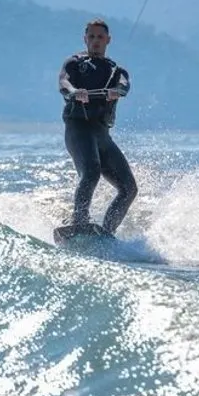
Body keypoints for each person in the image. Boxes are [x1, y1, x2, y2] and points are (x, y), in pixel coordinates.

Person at [57, 18, 138, 235]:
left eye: (100, 37)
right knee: (91, 172)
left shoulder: (116, 70)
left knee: (129, 189)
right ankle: (79, 223)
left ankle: (106, 233)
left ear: (108, 40)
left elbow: (124, 85)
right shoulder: (73, 63)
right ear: (85, 39)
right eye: (91, 37)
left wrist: (118, 91)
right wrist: (74, 92)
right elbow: (64, 82)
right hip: (78, 130)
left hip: (102, 134)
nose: (95, 41)